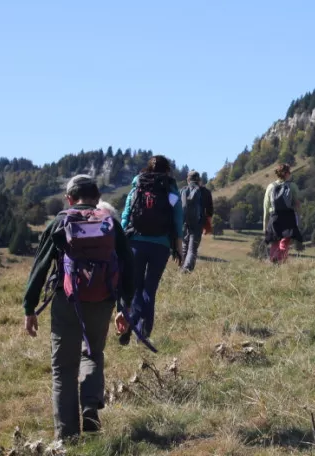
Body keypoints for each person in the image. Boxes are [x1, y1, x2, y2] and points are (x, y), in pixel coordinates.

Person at [23, 175, 134, 441]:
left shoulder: (60, 222)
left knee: (63, 369)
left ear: (69, 199)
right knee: (93, 353)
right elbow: (128, 265)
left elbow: (40, 267)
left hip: (66, 301)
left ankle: (68, 437)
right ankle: (90, 406)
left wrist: (30, 307)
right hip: (102, 299)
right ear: (97, 199)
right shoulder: (109, 223)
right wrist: (124, 307)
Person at [120, 155, 183, 345]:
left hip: (135, 243)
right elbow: (178, 221)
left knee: (135, 287)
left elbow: (126, 215)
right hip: (161, 245)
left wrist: (121, 241)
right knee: (150, 288)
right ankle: (143, 331)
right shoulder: (171, 191)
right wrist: (178, 248)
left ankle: (130, 321)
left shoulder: (136, 187)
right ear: (167, 171)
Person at [262, 163, 303, 264]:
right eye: (289, 172)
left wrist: (265, 226)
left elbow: (266, 207)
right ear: (286, 174)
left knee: (275, 241)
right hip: (288, 216)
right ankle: (281, 261)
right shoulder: (292, 186)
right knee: (285, 241)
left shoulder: (270, 187)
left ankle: (273, 261)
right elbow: (297, 204)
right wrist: (299, 217)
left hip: (274, 217)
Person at [179, 171, 214, 272]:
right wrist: (208, 225)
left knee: (184, 246)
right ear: (199, 180)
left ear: (188, 179)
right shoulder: (205, 192)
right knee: (193, 248)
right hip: (198, 223)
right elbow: (210, 211)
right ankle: (186, 270)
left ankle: (182, 268)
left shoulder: (182, 190)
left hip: (184, 223)